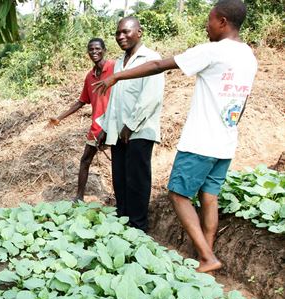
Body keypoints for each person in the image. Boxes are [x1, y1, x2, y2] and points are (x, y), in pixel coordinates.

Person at [93, 0, 257, 273]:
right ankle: (206, 251)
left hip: (201, 140)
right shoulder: (248, 56)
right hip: (226, 141)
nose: (207, 26)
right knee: (209, 197)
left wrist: (117, 78)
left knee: (178, 195)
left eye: (209, 20)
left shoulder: (213, 51)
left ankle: (207, 257)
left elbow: (159, 65)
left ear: (222, 22)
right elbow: (244, 101)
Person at [96, 17, 165, 231]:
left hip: (140, 131)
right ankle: (123, 222)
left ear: (139, 32)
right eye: (118, 33)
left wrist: (131, 126)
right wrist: (105, 128)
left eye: (126, 32)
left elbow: (151, 98)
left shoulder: (152, 58)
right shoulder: (119, 62)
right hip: (118, 132)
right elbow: (115, 100)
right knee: (120, 178)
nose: (121, 37)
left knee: (137, 180)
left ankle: (138, 227)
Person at [47, 38, 115, 201]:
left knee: (118, 163)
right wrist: (59, 118)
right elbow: (82, 101)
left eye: (97, 49)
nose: (94, 52)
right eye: (91, 49)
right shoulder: (90, 76)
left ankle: (118, 197)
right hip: (97, 127)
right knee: (85, 160)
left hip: (115, 124)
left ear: (104, 50)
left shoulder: (114, 67)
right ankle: (79, 197)